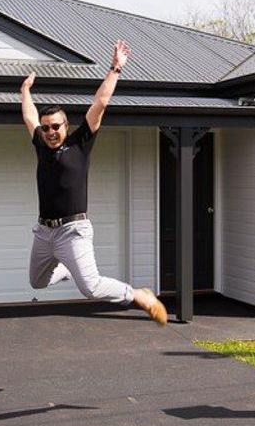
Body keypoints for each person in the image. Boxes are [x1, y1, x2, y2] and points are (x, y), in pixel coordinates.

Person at [20, 40, 168, 325]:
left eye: (56, 126)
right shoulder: (40, 143)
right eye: (46, 127)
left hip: (73, 230)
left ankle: (139, 295)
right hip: (43, 231)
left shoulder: (80, 143)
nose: (50, 132)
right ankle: (66, 267)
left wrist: (115, 68)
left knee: (91, 287)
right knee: (37, 281)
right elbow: (28, 115)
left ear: (66, 126)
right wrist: (25, 91)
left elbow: (100, 102)